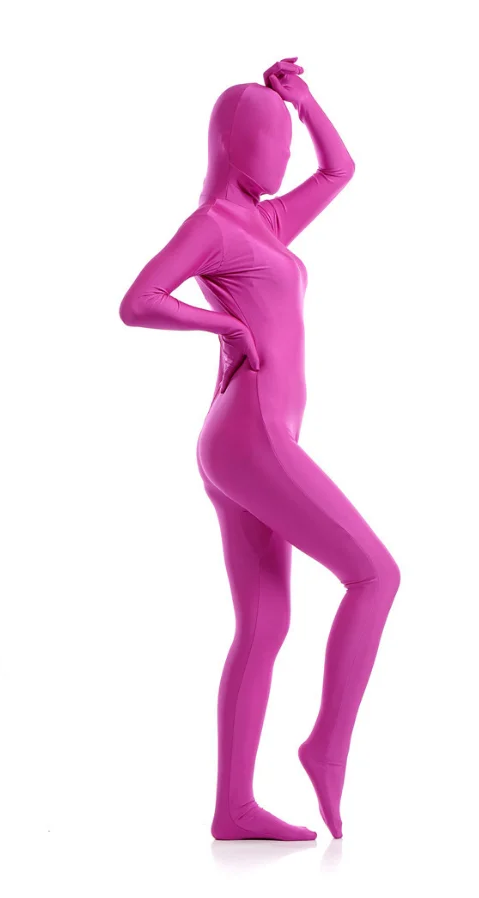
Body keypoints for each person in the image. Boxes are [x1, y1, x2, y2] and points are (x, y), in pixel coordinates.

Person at [119, 57, 401, 841]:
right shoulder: (212, 225)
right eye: (271, 139)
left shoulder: (265, 225)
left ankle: (234, 808)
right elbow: (137, 302)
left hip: (243, 443)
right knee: (374, 574)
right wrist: (223, 324)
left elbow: (339, 170)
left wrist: (303, 101)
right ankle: (324, 749)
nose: (284, 154)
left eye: (286, 140)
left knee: (264, 623)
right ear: (232, 143)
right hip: (252, 438)